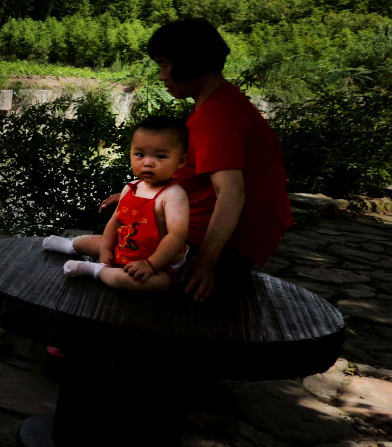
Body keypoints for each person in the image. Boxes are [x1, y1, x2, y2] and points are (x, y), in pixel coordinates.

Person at [146, 18, 292, 301]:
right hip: (222, 227)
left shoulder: (218, 115)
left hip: (230, 242)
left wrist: (205, 262)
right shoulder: (218, 101)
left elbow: (231, 193)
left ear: (188, 62)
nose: (162, 76)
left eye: (164, 65)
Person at [43, 117, 191, 293]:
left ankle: (97, 270)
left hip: (159, 263)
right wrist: (105, 250)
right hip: (124, 246)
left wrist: (151, 264)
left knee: (143, 283)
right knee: (91, 242)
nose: (148, 162)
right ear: (130, 153)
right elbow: (115, 221)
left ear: (181, 161)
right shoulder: (130, 188)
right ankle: (71, 245)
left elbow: (176, 236)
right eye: (140, 154)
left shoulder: (173, 195)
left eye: (160, 156)